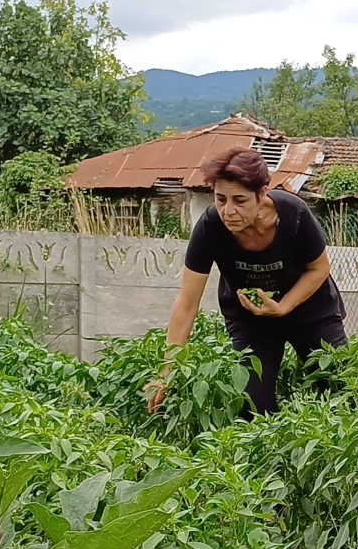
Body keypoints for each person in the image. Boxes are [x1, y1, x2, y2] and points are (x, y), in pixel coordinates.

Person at [145, 148, 347, 416]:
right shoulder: (210, 228)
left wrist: (284, 306)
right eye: (220, 199)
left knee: (340, 389)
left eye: (239, 200)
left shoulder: (293, 214)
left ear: (262, 193)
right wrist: (166, 371)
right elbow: (186, 304)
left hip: (311, 311)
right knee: (252, 405)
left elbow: (319, 269)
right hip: (251, 319)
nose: (228, 210)